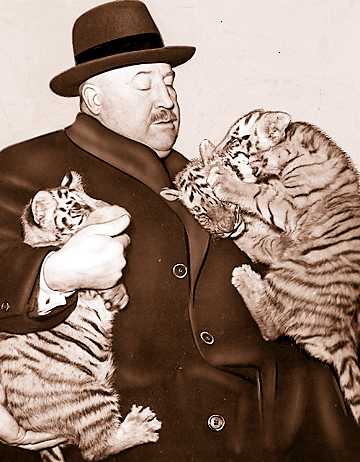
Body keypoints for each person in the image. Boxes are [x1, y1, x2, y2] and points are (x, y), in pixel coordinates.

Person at [0, 1, 359, 461]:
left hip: (275, 424)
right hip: (133, 439)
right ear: (93, 98)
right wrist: (53, 275)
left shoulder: (203, 173)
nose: (167, 99)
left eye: (169, 81)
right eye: (143, 83)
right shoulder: (24, 166)